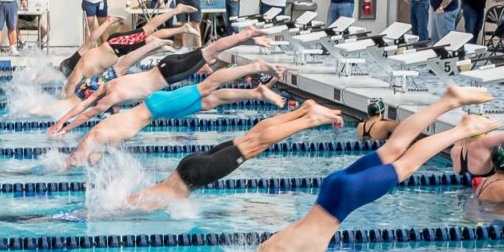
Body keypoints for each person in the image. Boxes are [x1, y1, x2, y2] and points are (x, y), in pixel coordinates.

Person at [177, 88, 504, 252]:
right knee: (394, 148)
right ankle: (447, 101)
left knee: (405, 164)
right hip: (330, 193)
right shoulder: (265, 250)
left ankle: (462, 129)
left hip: (341, 200)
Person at [124, 101, 348, 211]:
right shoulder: (138, 196)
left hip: (196, 175)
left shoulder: (138, 205)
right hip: (188, 166)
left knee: (254, 145)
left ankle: (310, 119)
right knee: (250, 138)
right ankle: (302, 111)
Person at [66, 61, 288, 168]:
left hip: (157, 107)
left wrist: (67, 165)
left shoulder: (95, 135)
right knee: (211, 101)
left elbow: (82, 152)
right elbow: (94, 157)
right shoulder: (104, 139)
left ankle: (257, 66)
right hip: (158, 111)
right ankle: (256, 92)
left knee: (207, 86)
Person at [48, 28, 273, 134]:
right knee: (209, 52)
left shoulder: (111, 96)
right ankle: (250, 39)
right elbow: (84, 104)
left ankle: (247, 35)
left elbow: (87, 111)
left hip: (169, 75)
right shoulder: (110, 84)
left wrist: (66, 129)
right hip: (166, 63)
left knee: (211, 53)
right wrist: (62, 121)